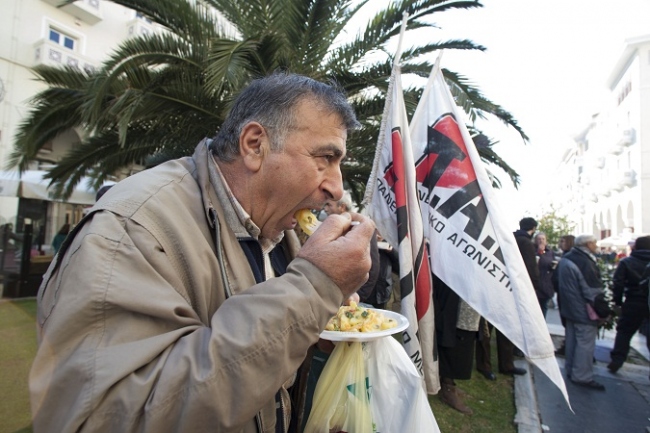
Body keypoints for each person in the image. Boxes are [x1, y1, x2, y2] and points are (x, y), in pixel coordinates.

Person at [29, 73, 377, 433]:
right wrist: (315, 287)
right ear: (255, 144)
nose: (335, 188)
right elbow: (111, 418)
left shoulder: (280, 231)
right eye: (325, 157)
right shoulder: (130, 229)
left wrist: (316, 331)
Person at [556, 234, 610, 390]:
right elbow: (592, 291)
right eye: (594, 242)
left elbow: (556, 281)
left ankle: (572, 369)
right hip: (583, 309)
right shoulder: (584, 262)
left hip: (570, 306)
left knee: (573, 340)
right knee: (585, 343)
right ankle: (582, 375)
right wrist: (603, 311)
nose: (596, 245)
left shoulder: (567, 258)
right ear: (588, 244)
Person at [434, 274, 480, 415]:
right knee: (452, 346)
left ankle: (449, 383)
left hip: (468, 303)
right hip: (453, 303)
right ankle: (447, 388)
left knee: (463, 347)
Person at [607, 235, 650, 373]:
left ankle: (617, 359)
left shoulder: (627, 262)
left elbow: (618, 283)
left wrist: (617, 302)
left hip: (633, 300)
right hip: (647, 301)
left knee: (624, 332)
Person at [357, 231, 399, 309]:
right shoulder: (359, 241)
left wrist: (390, 250)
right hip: (362, 291)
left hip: (381, 292)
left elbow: (399, 268)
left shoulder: (390, 243)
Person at [535, 232, 556, 317]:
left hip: (547, 283)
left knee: (544, 306)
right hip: (537, 283)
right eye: (539, 239)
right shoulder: (533, 250)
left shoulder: (550, 252)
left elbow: (552, 262)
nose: (541, 241)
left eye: (543, 239)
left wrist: (553, 265)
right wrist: (539, 253)